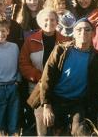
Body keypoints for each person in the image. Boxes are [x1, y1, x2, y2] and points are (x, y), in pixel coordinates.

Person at [40, 18, 98, 135]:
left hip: (76, 102)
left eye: (87, 30)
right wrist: (47, 106)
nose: (83, 33)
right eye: (79, 30)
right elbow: (46, 77)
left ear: (93, 33)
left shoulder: (95, 57)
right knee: (45, 131)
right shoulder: (61, 50)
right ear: (73, 32)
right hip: (53, 98)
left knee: (81, 132)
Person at [19, 8, 69, 136]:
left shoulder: (65, 41)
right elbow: (24, 64)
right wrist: (41, 78)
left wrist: (55, 80)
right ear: (39, 22)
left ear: (57, 22)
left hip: (59, 87)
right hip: (38, 87)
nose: (49, 22)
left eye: (52, 19)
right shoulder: (30, 41)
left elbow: (69, 65)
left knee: (58, 124)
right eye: (45, 20)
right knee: (42, 120)